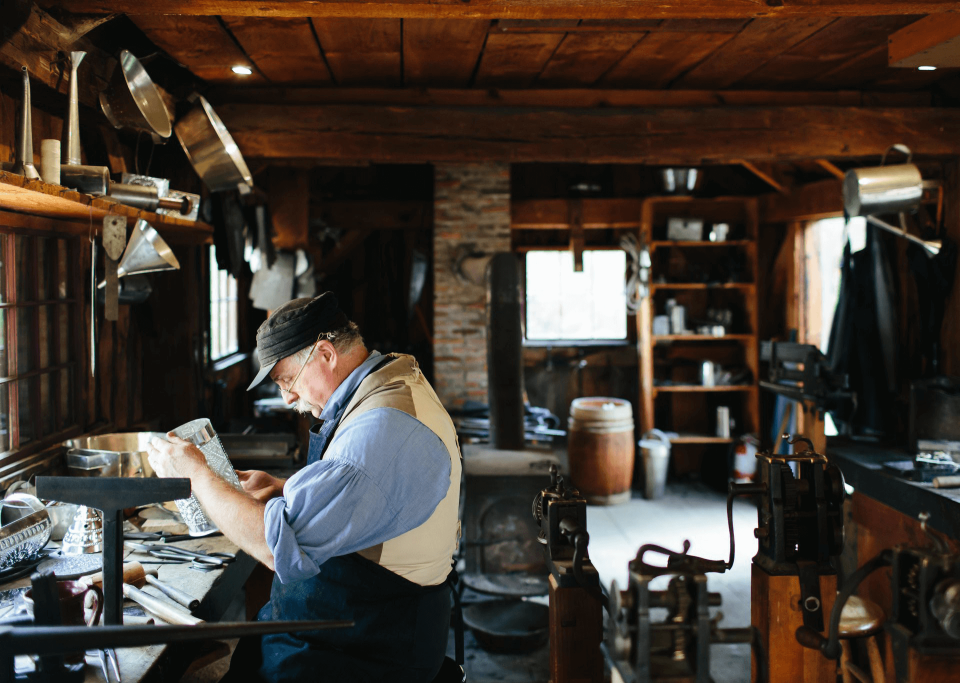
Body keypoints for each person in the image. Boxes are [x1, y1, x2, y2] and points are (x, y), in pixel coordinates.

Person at [146, 292, 462, 682]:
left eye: (287, 380)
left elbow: (276, 547)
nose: (288, 398)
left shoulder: (381, 428)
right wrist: (284, 489)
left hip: (369, 648)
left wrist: (198, 476)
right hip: (358, 625)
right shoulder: (390, 383)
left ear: (326, 354)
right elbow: (370, 496)